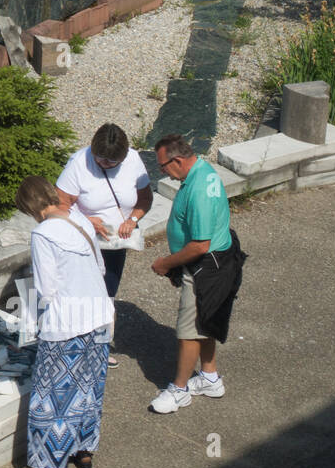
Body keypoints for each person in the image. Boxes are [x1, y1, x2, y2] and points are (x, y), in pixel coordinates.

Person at [2, 176, 113, 468]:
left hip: (67, 324)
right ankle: (83, 449)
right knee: (90, 387)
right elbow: (101, 269)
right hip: (100, 316)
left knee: (50, 397)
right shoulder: (81, 222)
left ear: (29, 207)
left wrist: (31, 320)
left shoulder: (43, 234)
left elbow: (47, 289)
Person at [149, 134, 245, 414]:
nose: (162, 172)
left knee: (189, 330)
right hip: (219, 261)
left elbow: (200, 245)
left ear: (177, 160)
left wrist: (166, 263)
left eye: (163, 166)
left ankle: (179, 391)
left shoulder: (199, 190)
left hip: (207, 267)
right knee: (206, 320)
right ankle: (210, 377)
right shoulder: (203, 170)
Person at [56, 123, 152, 368]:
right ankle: (75, 344)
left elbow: (144, 199)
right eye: (102, 160)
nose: (106, 165)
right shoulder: (79, 163)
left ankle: (100, 346)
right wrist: (86, 221)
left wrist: (132, 219)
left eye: (113, 162)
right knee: (80, 292)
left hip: (114, 242)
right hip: (83, 239)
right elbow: (60, 206)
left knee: (107, 293)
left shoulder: (133, 160)